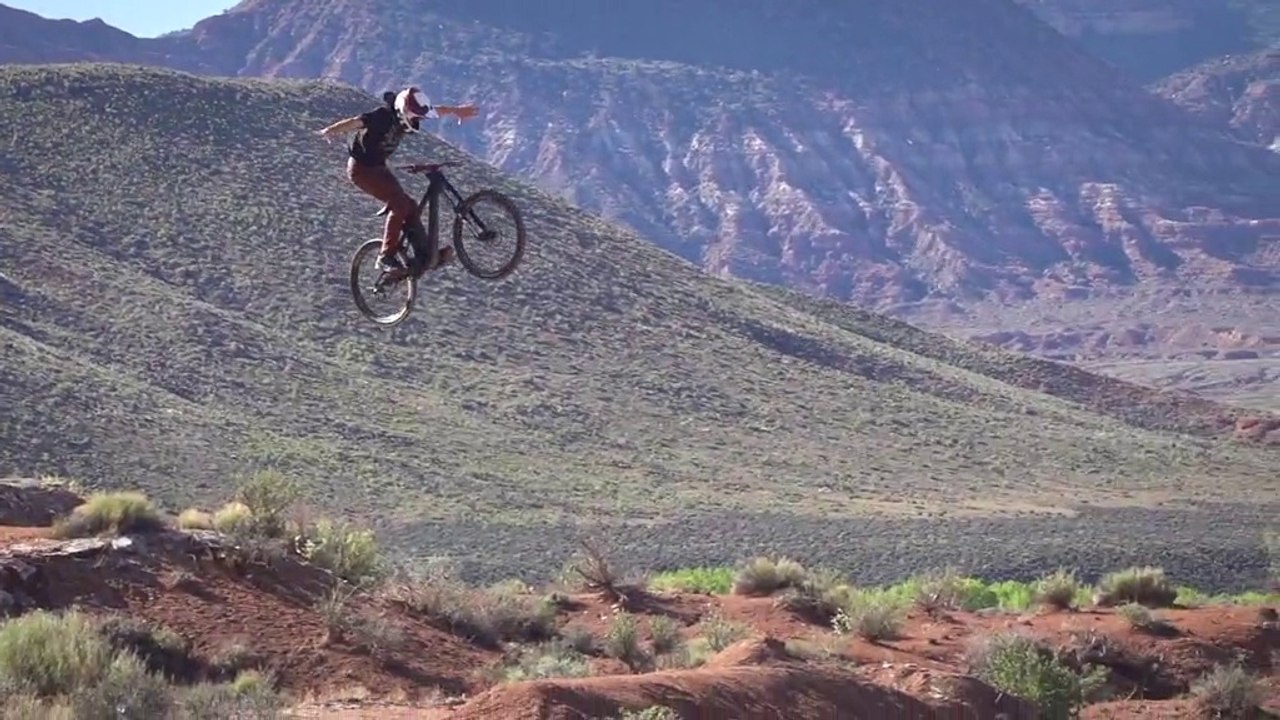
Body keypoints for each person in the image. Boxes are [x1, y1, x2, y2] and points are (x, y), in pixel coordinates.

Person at [318, 87, 478, 271]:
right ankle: (385, 256)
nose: (418, 121)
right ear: (404, 112)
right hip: (361, 170)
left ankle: (425, 255)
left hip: (379, 168)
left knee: (409, 204)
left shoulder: (406, 117)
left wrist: (456, 110)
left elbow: (434, 110)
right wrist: (330, 130)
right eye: (415, 117)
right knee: (399, 203)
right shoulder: (382, 117)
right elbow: (356, 122)